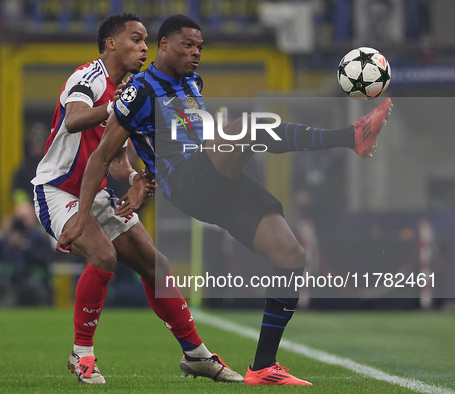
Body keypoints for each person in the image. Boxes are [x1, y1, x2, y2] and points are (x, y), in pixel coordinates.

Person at [60, 14, 393, 386]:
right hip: (188, 182)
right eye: (188, 45)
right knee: (247, 127)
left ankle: (264, 366)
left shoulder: (192, 82)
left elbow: (168, 137)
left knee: (291, 256)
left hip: (219, 179)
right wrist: (82, 215)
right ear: (164, 44)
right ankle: (350, 136)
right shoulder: (139, 90)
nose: (196, 53)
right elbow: (101, 156)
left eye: (200, 47)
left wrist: (143, 178)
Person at [31, 13, 242, 384]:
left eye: (146, 40)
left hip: (94, 191)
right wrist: (119, 107)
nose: (144, 46)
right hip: (57, 190)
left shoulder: (131, 88)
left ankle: (197, 355)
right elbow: (74, 119)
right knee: (104, 256)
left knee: (156, 266)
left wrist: (133, 179)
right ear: (111, 43)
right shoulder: (89, 77)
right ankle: (82, 355)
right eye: (135, 39)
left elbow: (115, 160)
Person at [0, 202, 54, 306]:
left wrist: (25, 247)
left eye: (24, 218)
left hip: (32, 278)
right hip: (10, 280)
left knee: (34, 288)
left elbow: (45, 259)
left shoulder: (40, 237)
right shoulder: (6, 238)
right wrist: (2, 237)